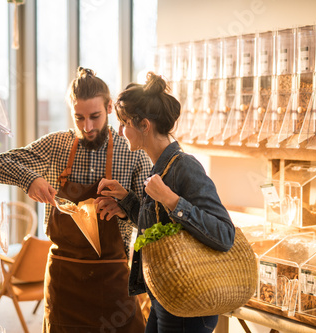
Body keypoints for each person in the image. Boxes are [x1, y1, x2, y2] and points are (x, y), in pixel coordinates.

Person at [0, 67, 151, 332]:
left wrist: (125, 208)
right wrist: (30, 180)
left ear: (109, 108)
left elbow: (151, 215)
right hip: (65, 282)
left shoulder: (131, 152)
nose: (87, 127)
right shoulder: (56, 146)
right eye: (79, 118)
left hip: (112, 281)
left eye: (95, 117)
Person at [95, 72, 236, 333]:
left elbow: (225, 234)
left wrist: (171, 199)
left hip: (188, 303)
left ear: (145, 125)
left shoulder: (185, 167)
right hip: (166, 296)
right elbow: (163, 229)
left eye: (125, 122)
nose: (120, 130)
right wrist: (126, 201)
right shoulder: (158, 168)